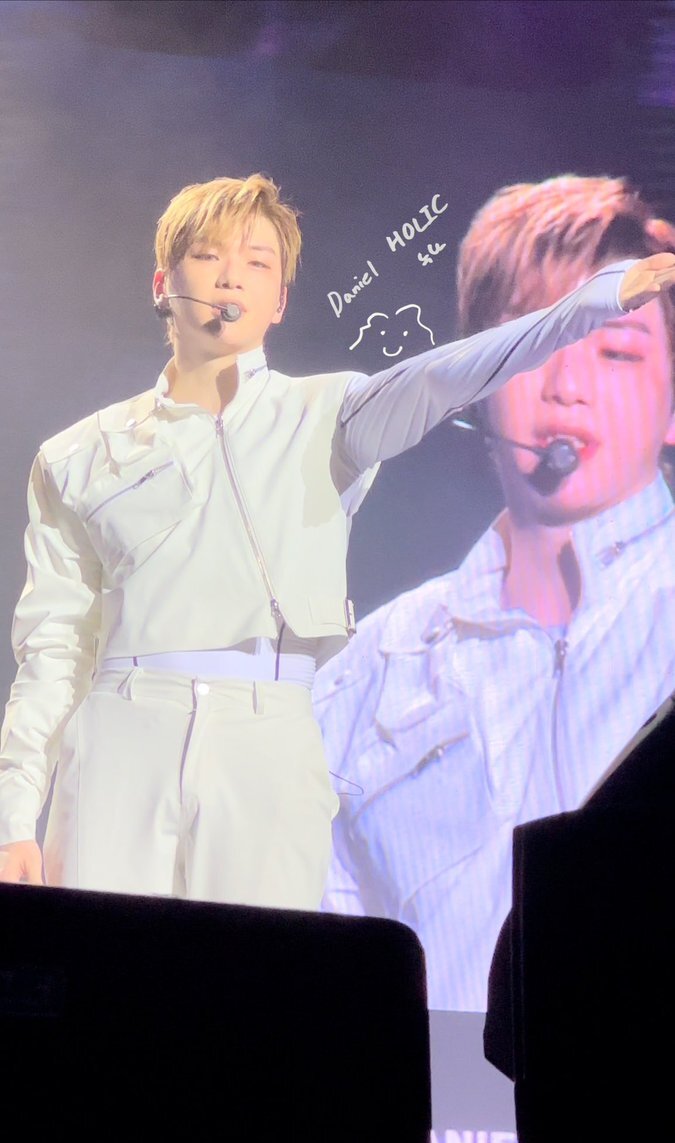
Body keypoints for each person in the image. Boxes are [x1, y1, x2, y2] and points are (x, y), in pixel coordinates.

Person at [0, 173, 672, 908]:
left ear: (280, 299)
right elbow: (52, 652)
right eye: (207, 255)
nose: (230, 277)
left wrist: (597, 300)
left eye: (257, 261)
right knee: (107, 966)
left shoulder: (331, 413)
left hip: (267, 734)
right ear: (163, 283)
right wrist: (12, 819)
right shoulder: (76, 456)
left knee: (257, 968)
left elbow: (449, 375)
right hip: (120, 736)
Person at [314, 174, 675, 1010]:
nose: (566, 386)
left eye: (616, 352)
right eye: (532, 345)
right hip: (437, 1089)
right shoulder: (370, 673)